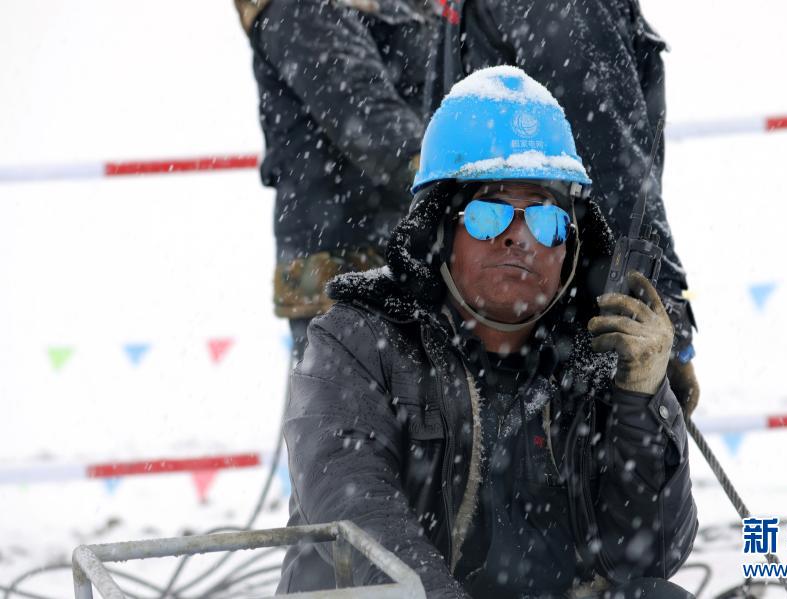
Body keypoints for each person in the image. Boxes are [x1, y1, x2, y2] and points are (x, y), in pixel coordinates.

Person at [277, 67, 697, 598]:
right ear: (440, 228)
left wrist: (642, 402)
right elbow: (359, 517)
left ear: (570, 244)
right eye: (488, 215)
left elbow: (651, 553)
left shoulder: (598, 357)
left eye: (545, 220)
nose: (519, 236)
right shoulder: (355, 342)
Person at [426, 0, 701, 413]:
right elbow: (613, 168)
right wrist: (661, 313)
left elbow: (613, 167)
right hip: (543, 313)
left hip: (539, 312)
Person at [234, 0, 434, 356]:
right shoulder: (302, 9)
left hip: (404, 249)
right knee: (346, 387)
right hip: (346, 257)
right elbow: (365, 116)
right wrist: (455, 179)